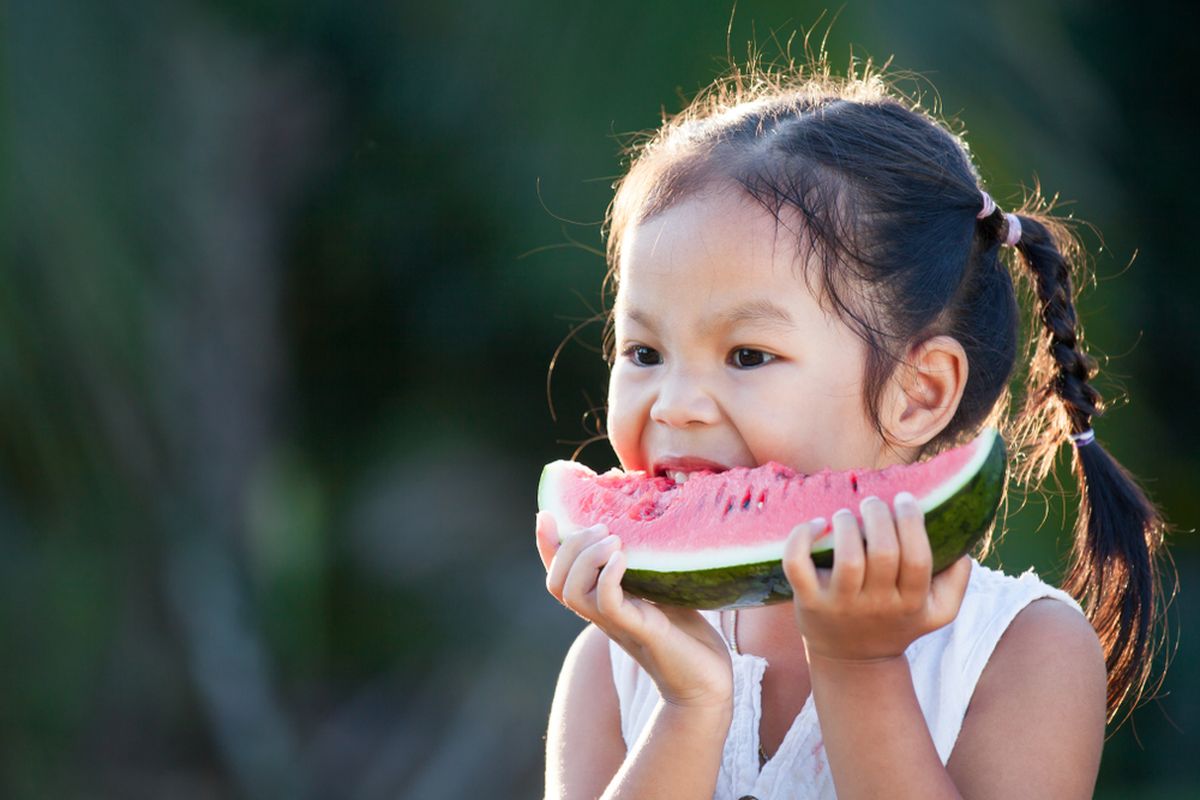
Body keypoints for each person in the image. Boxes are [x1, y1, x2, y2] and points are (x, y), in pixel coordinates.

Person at [534, 51, 1170, 800]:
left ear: (918, 391)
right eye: (644, 350)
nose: (674, 404)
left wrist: (860, 668)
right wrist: (690, 704)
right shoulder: (612, 667)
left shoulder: (1025, 649)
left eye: (747, 354)